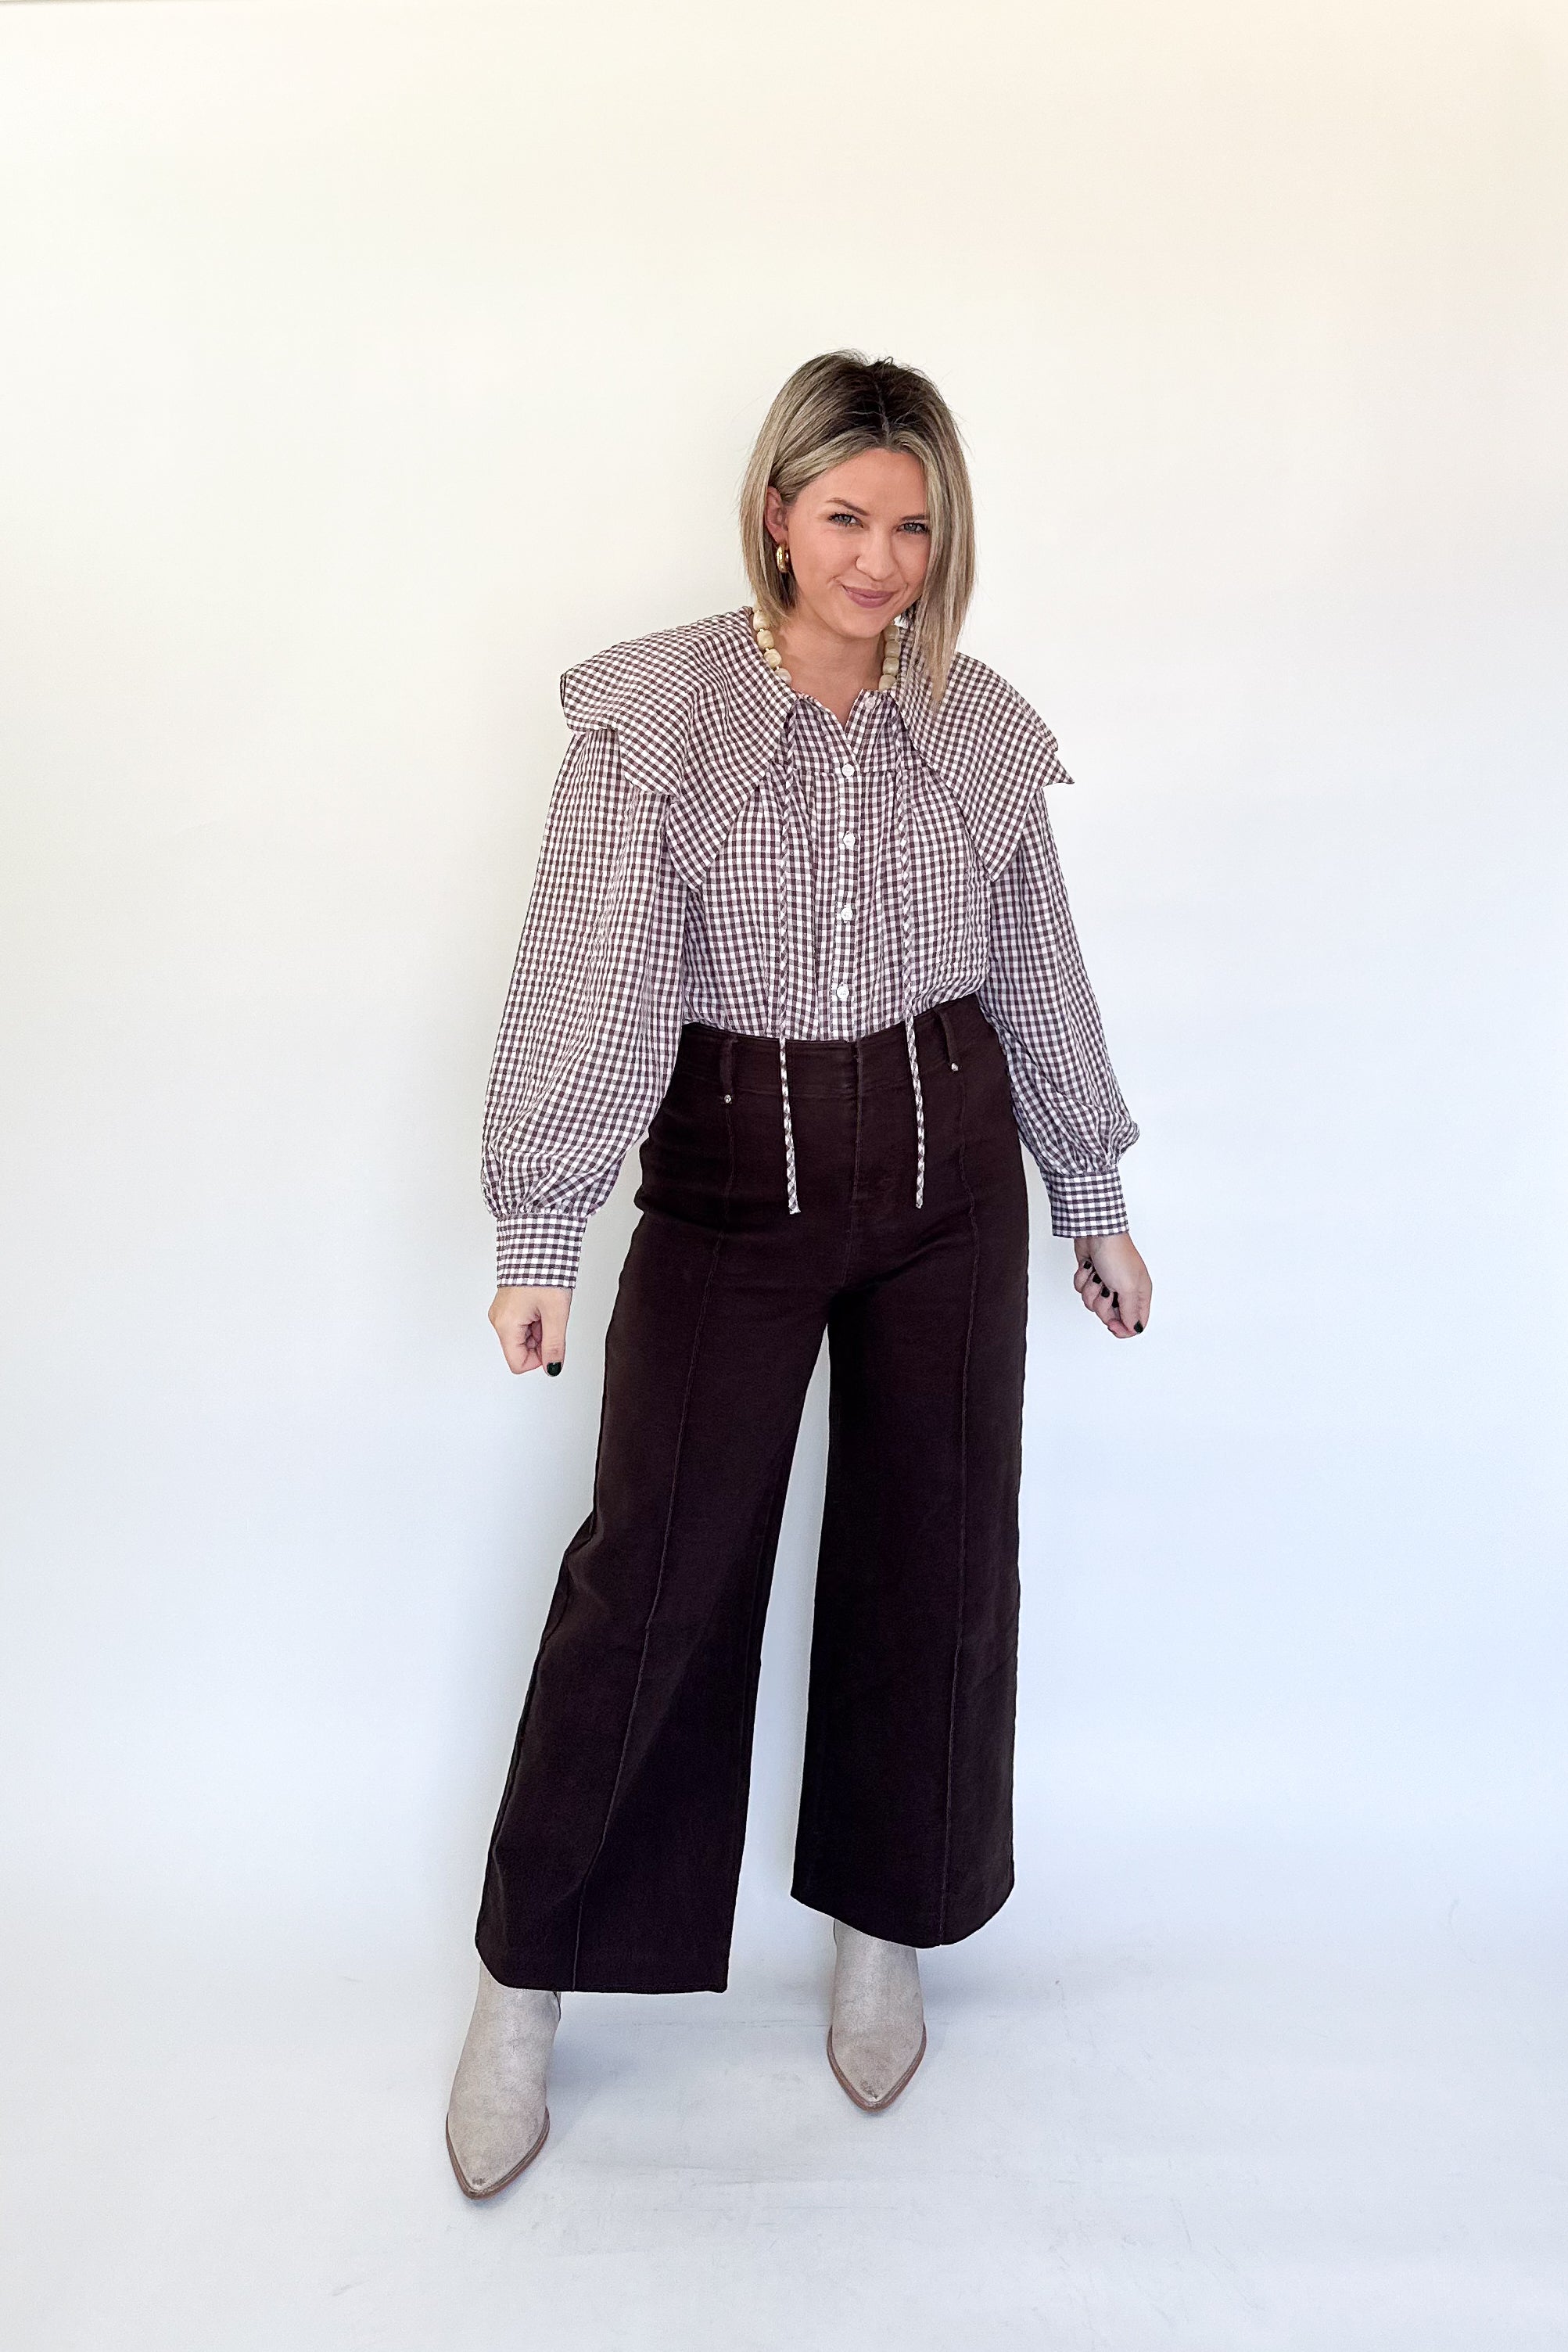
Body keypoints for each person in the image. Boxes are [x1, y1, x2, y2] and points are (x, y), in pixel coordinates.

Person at [444, 350, 1152, 2197]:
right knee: (655, 1574)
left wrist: (1087, 1184)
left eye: (912, 525)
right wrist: (542, 1226)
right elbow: (594, 969)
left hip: (945, 1171)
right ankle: (526, 1980)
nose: (880, 560)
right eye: (846, 517)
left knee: (935, 1552)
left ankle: (881, 1923)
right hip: (727, 1175)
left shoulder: (973, 723)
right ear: (776, 513)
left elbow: (1034, 957)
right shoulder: (655, 717)